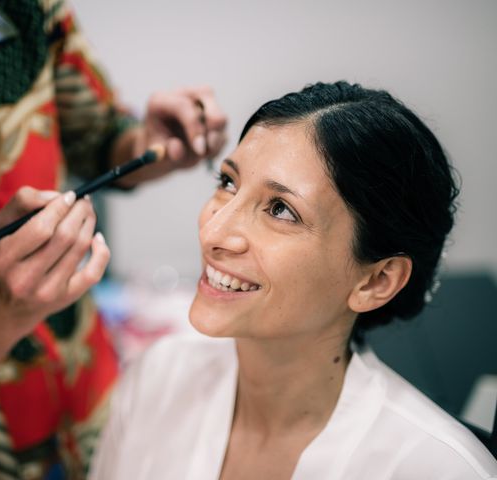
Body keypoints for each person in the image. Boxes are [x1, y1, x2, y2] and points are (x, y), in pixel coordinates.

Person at [0, 0, 226, 478]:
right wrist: (0, 311)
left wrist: (145, 145)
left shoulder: (23, 10)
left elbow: (100, 135)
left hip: (82, 408)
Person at [88, 81, 497, 479]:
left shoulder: (440, 469)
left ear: (377, 280)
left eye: (281, 210)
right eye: (228, 182)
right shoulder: (157, 377)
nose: (213, 234)